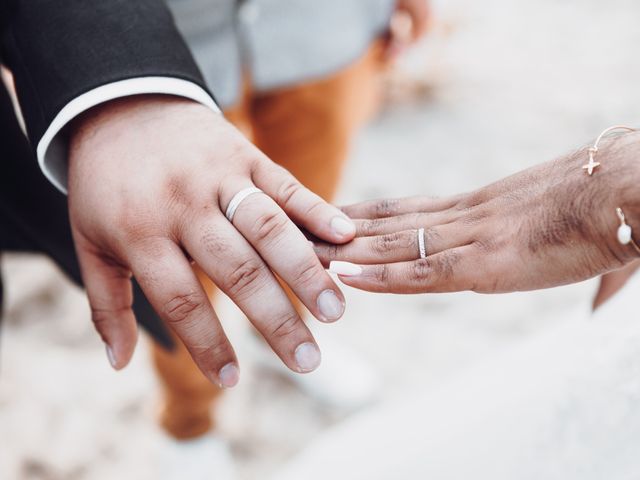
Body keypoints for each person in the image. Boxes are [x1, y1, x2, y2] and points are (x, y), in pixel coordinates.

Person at [1, 0, 357, 391]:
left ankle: (289, 329)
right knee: (183, 275)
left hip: (329, 29)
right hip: (174, 40)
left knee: (305, 222)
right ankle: (189, 420)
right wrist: (120, 87)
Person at [146, 0, 431, 454]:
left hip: (321, 23)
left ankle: (279, 335)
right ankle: (187, 422)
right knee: (177, 264)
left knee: (314, 218)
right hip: (156, 38)